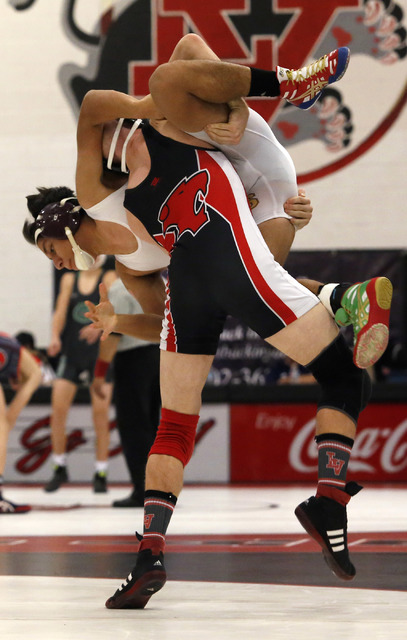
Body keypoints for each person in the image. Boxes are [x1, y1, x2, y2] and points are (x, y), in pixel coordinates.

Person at [22, 42, 390, 606]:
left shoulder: (139, 152)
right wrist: (119, 320)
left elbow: (109, 98)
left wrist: (183, 107)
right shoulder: (127, 209)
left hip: (235, 222)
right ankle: (325, 496)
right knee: (342, 377)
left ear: (62, 222)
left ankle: (150, 551)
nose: (57, 264)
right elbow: (157, 315)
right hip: (218, 258)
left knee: (175, 425)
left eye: (51, 251)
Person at [24, 232, 117, 493]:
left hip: (98, 355)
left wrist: (98, 329)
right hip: (72, 353)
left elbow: (113, 312)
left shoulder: (108, 277)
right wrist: (54, 337)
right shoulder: (69, 279)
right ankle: (59, 466)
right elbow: (61, 311)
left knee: (100, 414)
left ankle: (101, 472)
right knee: (58, 410)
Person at [91, 279, 161, 508]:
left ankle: (143, 490)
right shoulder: (156, 284)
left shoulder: (121, 288)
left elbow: (113, 332)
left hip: (133, 360)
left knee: (134, 425)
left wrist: (100, 373)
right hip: (160, 355)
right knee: (153, 424)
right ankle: (160, 489)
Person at [0, 332, 43, 513]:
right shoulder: (16, 352)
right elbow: (36, 376)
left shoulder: (10, 349)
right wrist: (11, 417)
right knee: (1, 425)